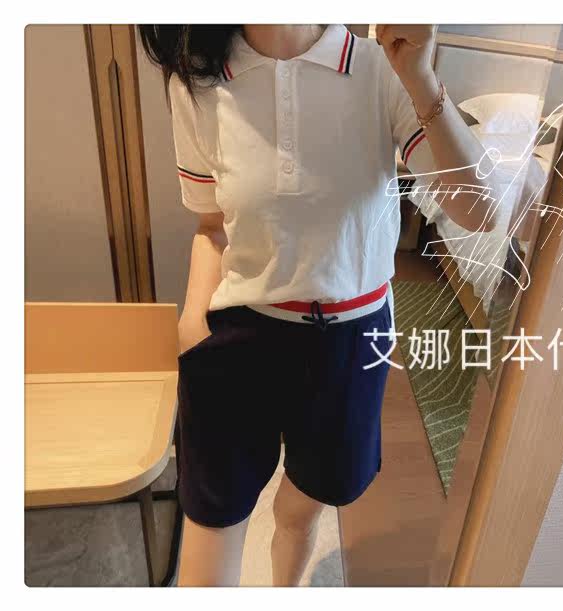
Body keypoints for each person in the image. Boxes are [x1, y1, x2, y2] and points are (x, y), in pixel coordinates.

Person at [138, 23, 494, 586]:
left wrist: (421, 80)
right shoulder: (196, 79)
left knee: (301, 509)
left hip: (351, 339)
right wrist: (192, 327)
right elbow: (211, 226)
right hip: (237, 335)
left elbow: (482, 212)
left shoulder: (384, 70)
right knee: (213, 522)